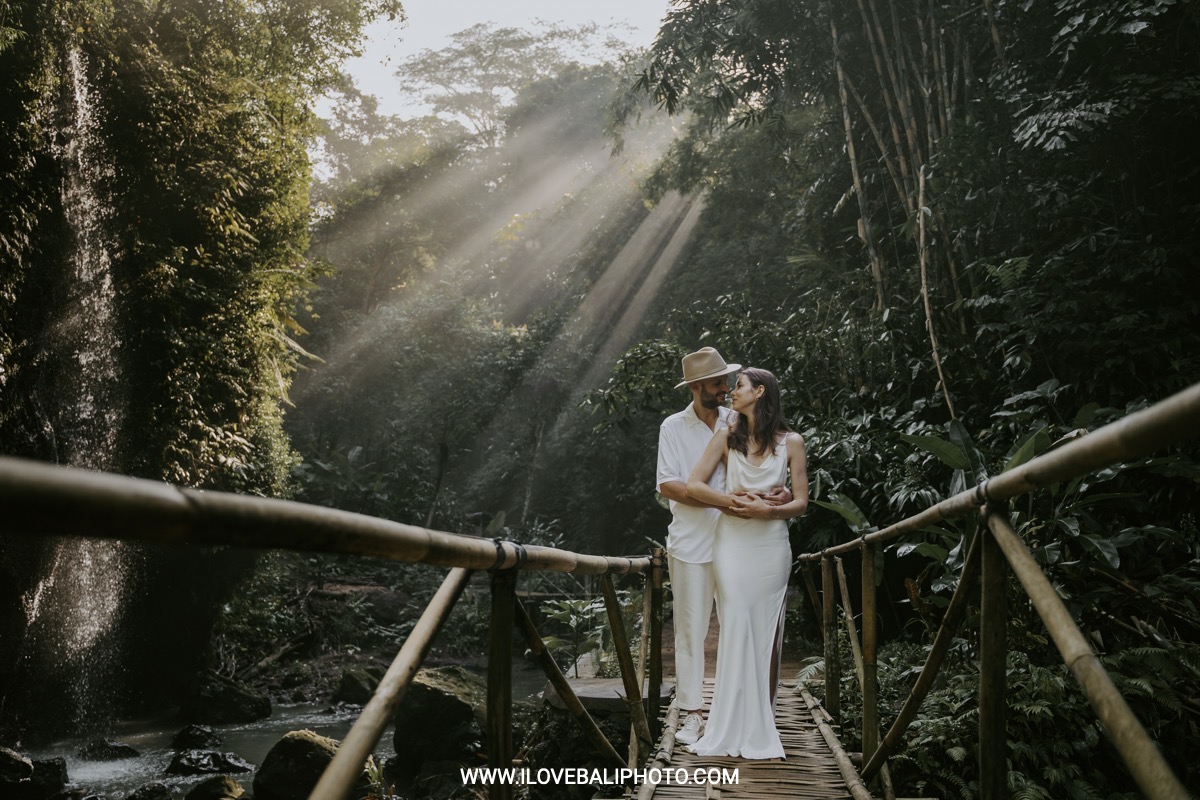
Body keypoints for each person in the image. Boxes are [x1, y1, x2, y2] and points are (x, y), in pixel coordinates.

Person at [656, 348, 789, 746]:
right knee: (691, 630)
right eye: (717, 383)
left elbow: (765, 465)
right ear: (696, 386)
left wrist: (778, 493)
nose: (725, 388)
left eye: (728, 382)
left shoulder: (738, 420)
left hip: (741, 541)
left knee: (741, 626)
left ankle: (746, 712)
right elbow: (669, 485)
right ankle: (693, 713)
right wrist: (727, 501)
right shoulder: (673, 427)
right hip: (691, 542)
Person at [684, 367, 808, 760]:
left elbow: (801, 502)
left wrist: (770, 512)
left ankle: (761, 721)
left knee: (765, 631)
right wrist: (733, 503)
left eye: (738, 386)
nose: (731, 392)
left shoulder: (792, 442)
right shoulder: (726, 436)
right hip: (733, 544)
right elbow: (694, 485)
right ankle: (728, 723)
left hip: (771, 547)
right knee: (736, 623)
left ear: (759, 392)